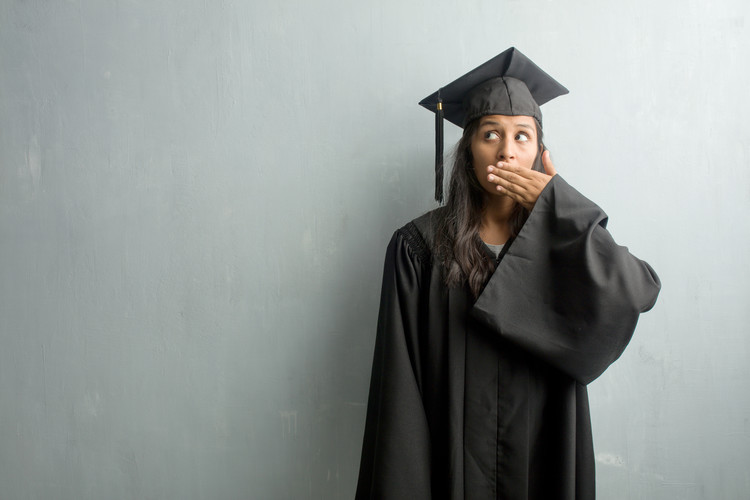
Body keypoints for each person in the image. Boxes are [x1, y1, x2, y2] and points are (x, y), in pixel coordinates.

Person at [355, 47, 661, 500]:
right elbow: (399, 395)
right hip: (448, 466)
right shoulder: (417, 248)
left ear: (541, 151)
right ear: (468, 151)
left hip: (546, 458)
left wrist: (561, 207)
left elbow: (635, 291)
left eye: (523, 136)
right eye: (490, 134)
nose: (507, 151)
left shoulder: (567, 243)